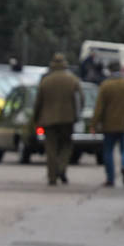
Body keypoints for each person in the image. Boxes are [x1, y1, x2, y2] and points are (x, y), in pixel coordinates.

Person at [34, 53, 83, 186]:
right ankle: (61, 168)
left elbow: (38, 102)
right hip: (68, 119)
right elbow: (81, 99)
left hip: (48, 120)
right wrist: (77, 115)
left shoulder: (45, 81)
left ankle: (52, 177)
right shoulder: (73, 80)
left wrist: (36, 118)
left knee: (51, 148)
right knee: (66, 145)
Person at [93, 62, 124, 187]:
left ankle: (110, 178)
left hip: (109, 125)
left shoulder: (105, 86)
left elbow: (99, 107)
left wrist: (94, 124)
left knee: (108, 152)